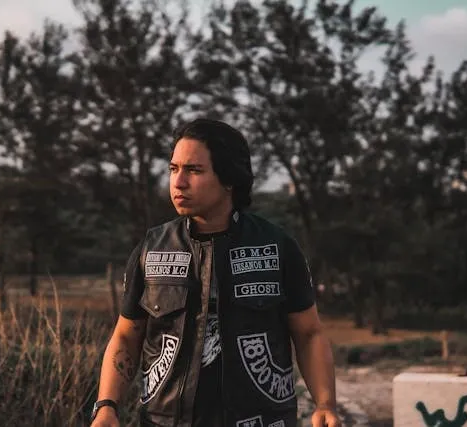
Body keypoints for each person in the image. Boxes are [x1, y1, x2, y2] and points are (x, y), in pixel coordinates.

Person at [90, 118, 341, 427]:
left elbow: (308, 333)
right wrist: (106, 406)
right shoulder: (152, 249)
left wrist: (325, 403)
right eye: (173, 169)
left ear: (229, 179)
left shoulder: (277, 247)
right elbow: (127, 335)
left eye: (194, 171)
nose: (178, 182)